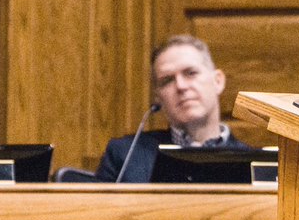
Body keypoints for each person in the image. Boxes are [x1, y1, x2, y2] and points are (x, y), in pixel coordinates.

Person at [95, 34, 253, 182]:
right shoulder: (125, 155)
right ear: (158, 96)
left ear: (217, 81)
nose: (181, 86)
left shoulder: (253, 162)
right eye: (167, 80)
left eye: (190, 73)